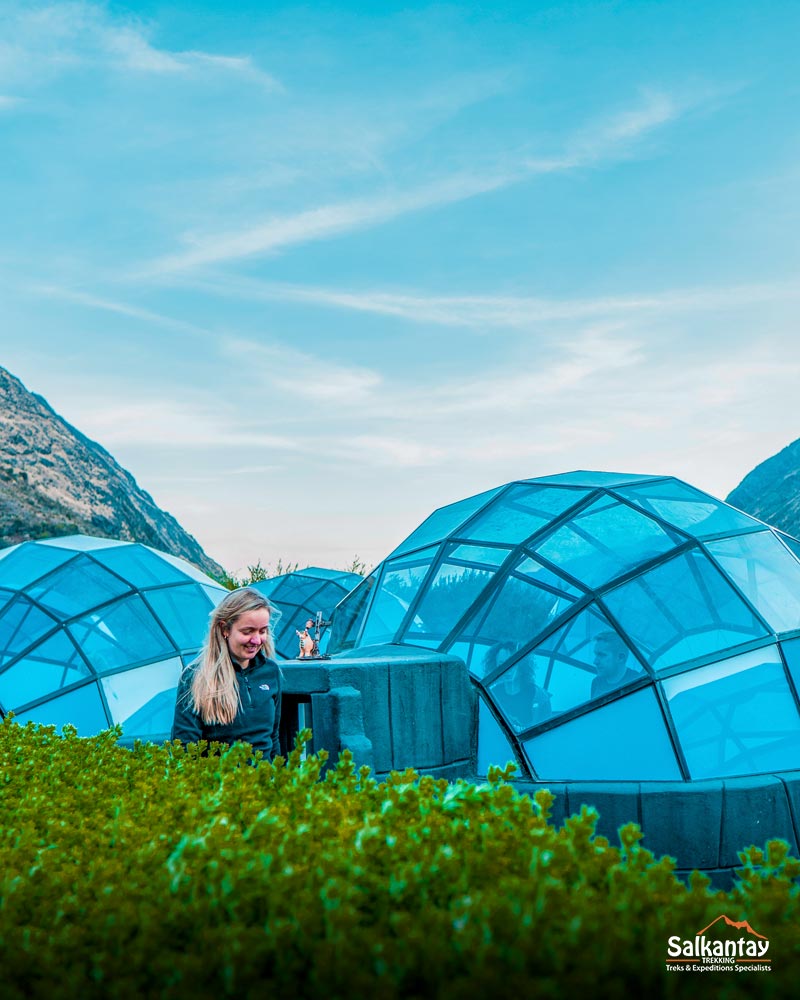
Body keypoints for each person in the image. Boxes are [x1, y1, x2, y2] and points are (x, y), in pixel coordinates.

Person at [171, 588, 282, 760]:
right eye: (247, 631)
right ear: (225, 629)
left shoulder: (271, 672)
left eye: (262, 631)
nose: (256, 640)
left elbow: (273, 738)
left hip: (265, 784)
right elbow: (184, 750)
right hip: (220, 784)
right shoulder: (195, 676)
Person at [591, 631, 640, 699]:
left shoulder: (638, 682)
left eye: (602, 655)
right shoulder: (596, 682)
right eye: (596, 655)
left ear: (621, 657)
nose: (595, 662)